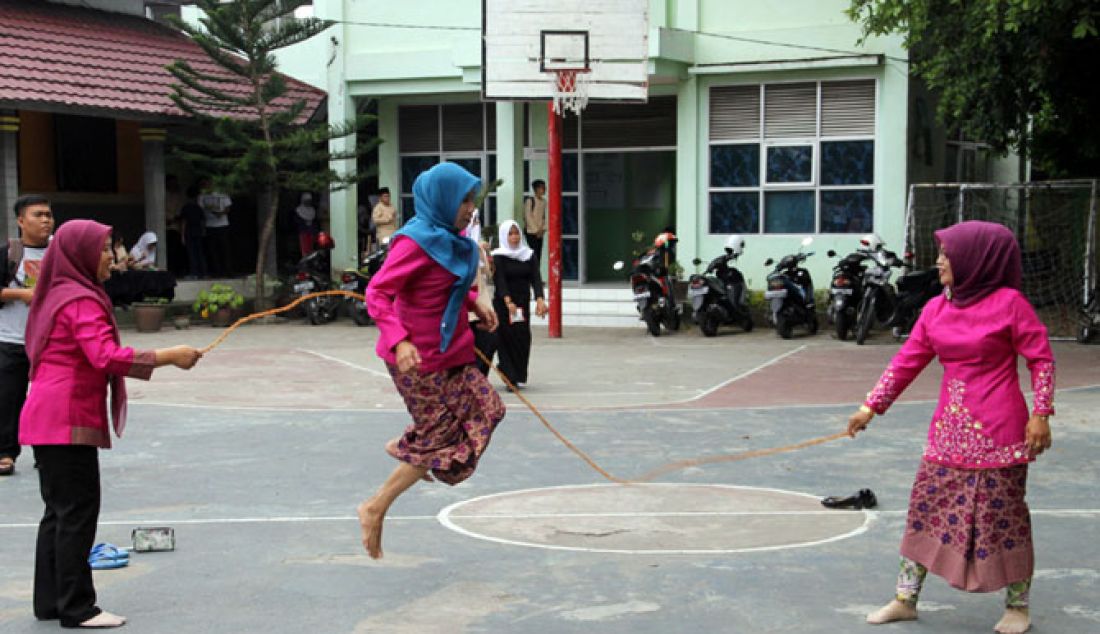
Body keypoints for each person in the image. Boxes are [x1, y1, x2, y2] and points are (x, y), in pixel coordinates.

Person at [847, 221, 1054, 634]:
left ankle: (1018, 607)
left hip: (1001, 431)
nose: (940, 261)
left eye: (948, 254)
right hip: (947, 432)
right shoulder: (936, 308)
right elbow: (907, 360)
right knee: (925, 510)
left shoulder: (1010, 304)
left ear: (976, 261)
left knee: (1005, 518)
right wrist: (870, 407)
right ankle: (905, 599)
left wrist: (1041, 413)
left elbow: (1041, 358)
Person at [19, 219, 202, 628]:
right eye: (103, 249)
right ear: (80, 254)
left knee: (59, 512)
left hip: (46, 415)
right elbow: (104, 356)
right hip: (65, 418)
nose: (110, 257)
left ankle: (50, 601)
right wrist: (169, 355)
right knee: (77, 513)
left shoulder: (58, 294)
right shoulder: (80, 301)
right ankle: (77, 608)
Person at [360, 162, 504, 560]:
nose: (470, 208)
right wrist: (400, 340)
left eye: (472, 199)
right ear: (441, 200)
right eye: (463, 200)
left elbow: (447, 288)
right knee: (440, 440)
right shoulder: (415, 242)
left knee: (490, 408)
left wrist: (476, 304)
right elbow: (378, 295)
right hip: (416, 360)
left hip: (453, 352)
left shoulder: (453, 240)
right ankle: (376, 507)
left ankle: (415, 446)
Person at [0, 195, 54, 477]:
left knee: (48, 399)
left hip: (51, 342)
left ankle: (46, 452)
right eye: (38, 215)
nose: (46, 220)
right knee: (9, 399)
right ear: (21, 220)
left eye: (49, 214)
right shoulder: (8, 254)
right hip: (11, 339)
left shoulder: (61, 253)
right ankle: (5, 453)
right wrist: (21, 294)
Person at [491, 220, 548, 386]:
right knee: (506, 338)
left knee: (522, 338)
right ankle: (509, 375)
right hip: (504, 303)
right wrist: (508, 301)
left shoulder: (528, 254)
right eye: (510, 233)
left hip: (522, 303)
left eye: (516, 233)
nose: (514, 237)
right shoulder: (498, 256)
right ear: (504, 236)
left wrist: (539, 299)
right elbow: (499, 279)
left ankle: (520, 373)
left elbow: (536, 278)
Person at [198, 178, 232, 276]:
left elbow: (228, 207)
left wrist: (221, 213)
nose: (206, 186)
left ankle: (228, 270)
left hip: (223, 224)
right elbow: (201, 209)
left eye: (208, 183)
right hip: (209, 225)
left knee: (225, 249)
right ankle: (217, 271)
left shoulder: (222, 194)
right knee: (212, 250)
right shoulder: (202, 196)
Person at [180, 184, 207, 279]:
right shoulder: (199, 208)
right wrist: (203, 231)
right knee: (200, 252)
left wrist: (182, 235)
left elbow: (184, 222)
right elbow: (203, 221)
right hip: (198, 231)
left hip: (189, 232)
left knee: (191, 253)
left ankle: (194, 273)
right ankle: (203, 273)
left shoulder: (186, 207)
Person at [164, 175, 186, 276]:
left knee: (177, 250)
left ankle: (178, 271)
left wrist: (174, 218)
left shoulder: (179, 196)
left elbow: (181, 210)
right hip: (165, 226)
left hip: (176, 227)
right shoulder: (164, 194)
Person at [523, 179, 547, 261]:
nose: (544, 189)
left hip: (540, 233)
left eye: (544, 187)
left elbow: (543, 216)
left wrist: (543, 229)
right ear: (536, 189)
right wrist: (536, 230)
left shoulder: (544, 201)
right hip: (531, 232)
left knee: (538, 254)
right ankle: (532, 272)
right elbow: (528, 216)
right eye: (542, 187)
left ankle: (536, 272)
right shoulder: (530, 200)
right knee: (533, 254)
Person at [294, 192, 319, 258]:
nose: (308, 202)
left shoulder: (312, 210)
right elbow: (297, 222)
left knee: (312, 250)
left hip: (312, 233)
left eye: (309, 200)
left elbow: (315, 221)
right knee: (305, 250)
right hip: (303, 233)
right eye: (306, 200)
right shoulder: (298, 210)